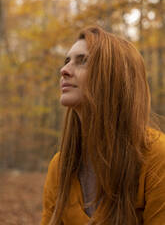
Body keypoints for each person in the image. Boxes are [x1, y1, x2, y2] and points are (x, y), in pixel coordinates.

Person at [40, 26, 165, 225]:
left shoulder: (157, 157)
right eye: (67, 61)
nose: (64, 70)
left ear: (114, 76)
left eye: (82, 61)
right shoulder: (61, 166)